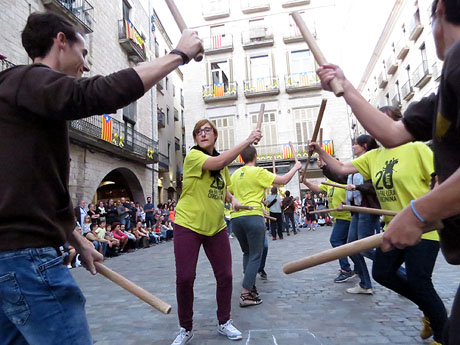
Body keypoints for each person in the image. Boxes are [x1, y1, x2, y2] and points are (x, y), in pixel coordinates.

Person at [0, 11, 204, 343]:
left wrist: (77, 239)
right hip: (26, 259)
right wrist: (177, 56)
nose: (86, 66)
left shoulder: (22, 101)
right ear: (60, 42)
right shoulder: (30, 80)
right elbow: (99, 93)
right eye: (83, 54)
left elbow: (35, 185)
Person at [317, 2, 459, 343]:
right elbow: (394, 133)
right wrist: (346, 87)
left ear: (440, 10)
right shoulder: (444, 91)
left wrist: (418, 212)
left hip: (423, 228)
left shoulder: (458, 64)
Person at [308, 113, 447, 344]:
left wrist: (431, 208)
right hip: (393, 228)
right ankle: (433, 311)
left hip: (424, 228)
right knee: (382, 273)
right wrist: (321, 151)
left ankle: (443, 334)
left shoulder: (417, 149)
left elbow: (440, 179)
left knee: (419, 281)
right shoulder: (374, 156)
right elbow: (342, 169)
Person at [171, 119, 261, 345]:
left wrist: (234, 201)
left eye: (207, 130)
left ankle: (224, 321)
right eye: (198, 131)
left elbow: (223, 190)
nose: (202, 134)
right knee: (185, 278)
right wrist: (248, 140)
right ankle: (185, 328)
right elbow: (219, 161)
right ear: (195, 138)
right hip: (188, 224)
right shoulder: (194, 156)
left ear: (215, 135)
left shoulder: (221, 169)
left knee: (226, 276)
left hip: (216, 227)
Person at [229, 145, 301, 307]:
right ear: (255, 156)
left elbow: (229, 194)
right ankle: (246, 293)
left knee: (247, 252)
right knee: (256, 254)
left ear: (241, 158)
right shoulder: (257, 172)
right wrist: (295, 168)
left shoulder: (234, 175)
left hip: (236, 219)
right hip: (252, 216)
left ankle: (250, 285)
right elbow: (283, 180)